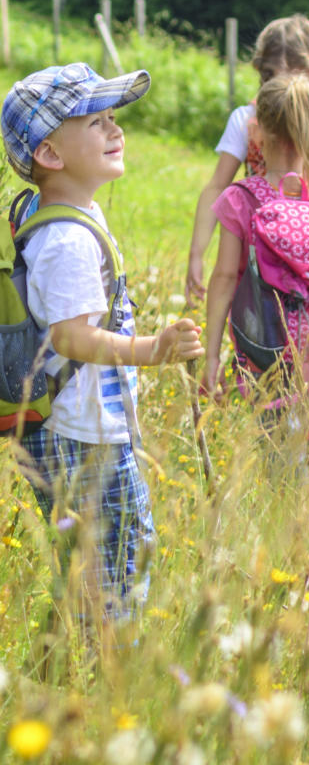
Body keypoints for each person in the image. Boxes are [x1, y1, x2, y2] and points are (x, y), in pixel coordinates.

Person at [1, 62, 204, 631]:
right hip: (80, 434)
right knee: (115, 561)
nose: (116, 131)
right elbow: (69, 336)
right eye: (97, 122)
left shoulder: (68, 213)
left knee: (94, 563)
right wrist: (152, 349)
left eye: (114, 118)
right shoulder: (66, 237)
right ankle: (106, 673)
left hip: (77, 427)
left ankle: (74, 665)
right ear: (50, 155)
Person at [203, 72, 309, 492]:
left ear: (259, 132)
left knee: (278, 458)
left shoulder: (243, 199)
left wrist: (212, 353)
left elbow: (221, 279)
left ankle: (287, 538)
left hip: (263, 355)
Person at [185, 13, 309, 306]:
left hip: (264, 261)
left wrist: (198, 252)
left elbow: (216, 187)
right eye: (275, 76)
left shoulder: (247, 119)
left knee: (262, 341)